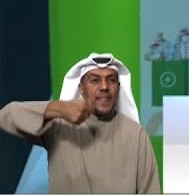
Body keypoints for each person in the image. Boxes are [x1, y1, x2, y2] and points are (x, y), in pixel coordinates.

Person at [0, 53, 160, 193]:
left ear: (118, 88)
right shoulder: (58, 126)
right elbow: (6, 116)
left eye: (111, 80)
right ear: (82, 89)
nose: (104, 87)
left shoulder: (136, 134)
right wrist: (60, 109)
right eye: (95, 80)